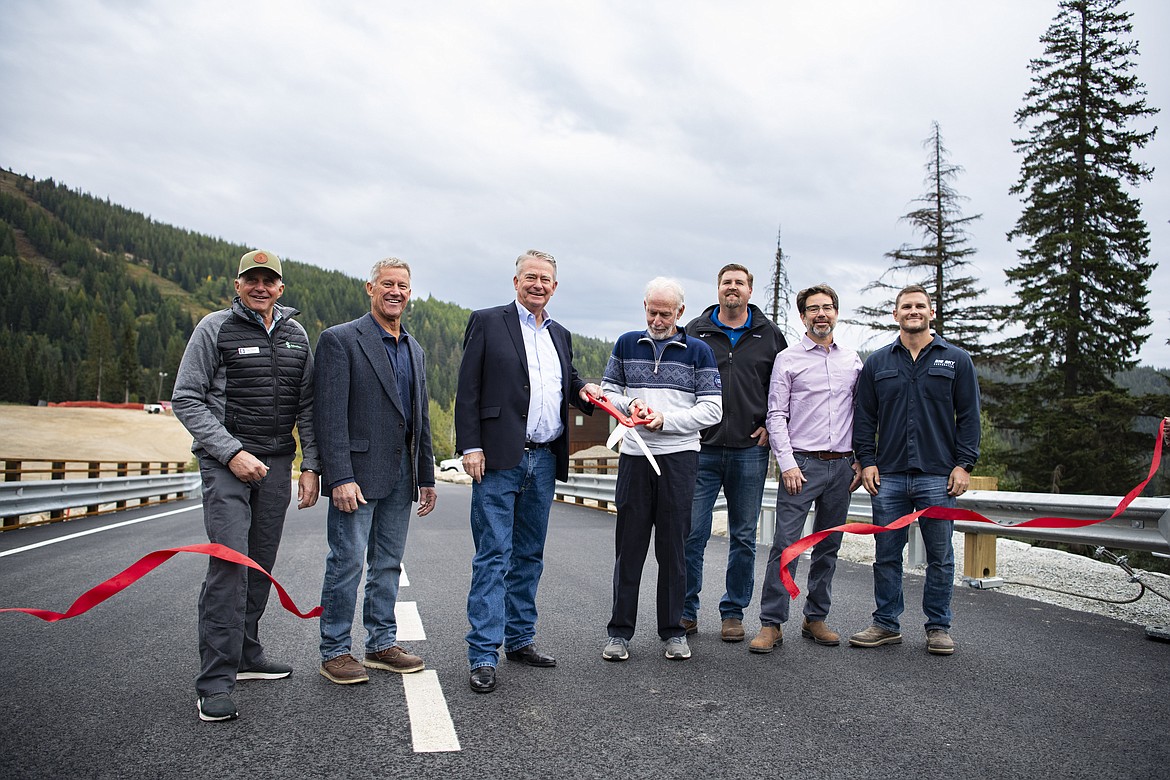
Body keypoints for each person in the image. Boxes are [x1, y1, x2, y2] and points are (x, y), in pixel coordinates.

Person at [172, 249, 320, 723]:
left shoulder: (297, 336)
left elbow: (308, 408)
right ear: (237, 285)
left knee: (260, 564)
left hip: (276, 464)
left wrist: (309, 464)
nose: (260, 287)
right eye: (250, 279)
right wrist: (230, 452)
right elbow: (187, 398)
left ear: (281, 287)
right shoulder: (214, 328)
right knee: (230, 565)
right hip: (226, 463)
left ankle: (246, 651)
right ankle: (214, 682)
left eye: (268, 280)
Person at [454, 249, 599, 694]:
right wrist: (471, 446)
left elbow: (565, 381)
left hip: (545, 456)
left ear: (555, 286)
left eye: (546, 279)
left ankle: (519, 639)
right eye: (530, 277)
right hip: (499, 457)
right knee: (493, 555)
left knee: (529, 555)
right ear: (515, 281)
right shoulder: (487, 321)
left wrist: (584, 388)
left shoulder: (561, 334)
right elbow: (468, 388)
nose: (538, 284)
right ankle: (483, 653)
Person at [313, 258, 437, 685]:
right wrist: (340, 477)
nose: (396, 291)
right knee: (346, 561)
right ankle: (335, 650)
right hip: (358, 475)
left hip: (402, 474)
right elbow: (329, 417)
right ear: (370, 288)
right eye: (388, 284)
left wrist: (427, 476)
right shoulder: (340, 340)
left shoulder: (414, 349)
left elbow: (418, 419)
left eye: (403, 285)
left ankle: (381, 644)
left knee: (388, 563)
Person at [850, 284, 980, 656]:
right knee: (886, 553)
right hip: (888, 476)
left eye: (920, 306)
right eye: (906, 306)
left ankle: (938, 627)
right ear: (896, 314)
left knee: (940, 555)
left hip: (938, 476)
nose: (913, 311)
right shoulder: (878, 362)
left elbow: (969, 417)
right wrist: (868, 460)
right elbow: (865, 418)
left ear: (931, 312)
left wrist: (963, 465)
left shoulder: (956, 360)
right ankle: (886, 624)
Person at [599, 277, 722, 663]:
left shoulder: (699, 352)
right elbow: (607, 390)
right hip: (634, 456)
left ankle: (673, 632)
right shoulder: (624, 344)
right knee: (629, 547)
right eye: (651, 310)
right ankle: (619, 633)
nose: (656, 318)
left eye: (664, 313)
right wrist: (631, 403)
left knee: (673, 549)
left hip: (679, 458)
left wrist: (665, 419)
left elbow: (712, 409)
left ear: (680, 313)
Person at [750, 284, 862, 654]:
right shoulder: (789, 359)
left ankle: (816, 618)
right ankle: (771, 623)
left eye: (827, 308)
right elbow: (776, 415)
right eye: (813, 309)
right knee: (787, 545)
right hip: (802, 466)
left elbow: (861, 415)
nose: (821, 315)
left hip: (842, 466)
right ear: (803, 317)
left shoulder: (853, 361)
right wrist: (787, 464)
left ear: (836, 313)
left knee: (829, 545)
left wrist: (860, 460)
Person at [683, 263, 787, 642]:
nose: (732, 288)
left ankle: (733, 613)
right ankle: (685, 610)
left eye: (739, 283)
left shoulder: (769, 335)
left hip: (750, 450)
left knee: (743, 536)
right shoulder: (695, 331)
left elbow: (783, 388)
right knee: (692, 533)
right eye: (726, 282)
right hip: (701, 448)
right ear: (718, 288)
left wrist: (771, 427)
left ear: (749, 290)